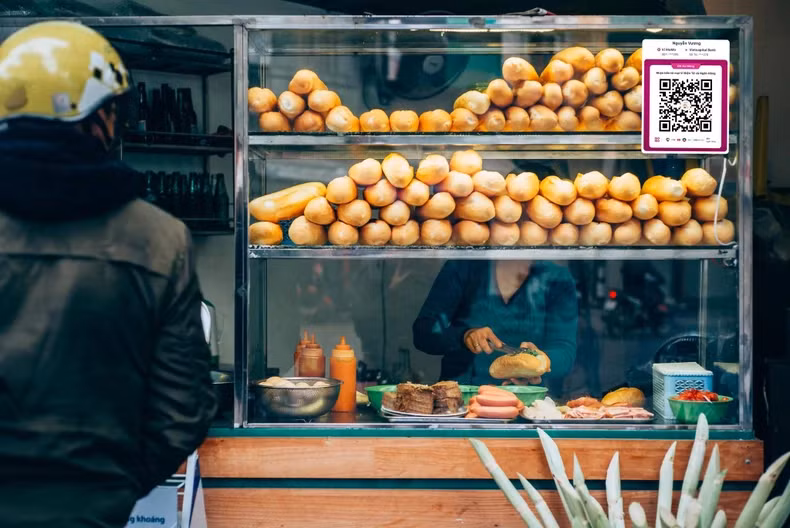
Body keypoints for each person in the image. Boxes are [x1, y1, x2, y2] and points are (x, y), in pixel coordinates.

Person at [0, 21, 216, 528]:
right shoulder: (157, 238)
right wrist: (108, 487)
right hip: (89, 507)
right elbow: (182, 409)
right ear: (98, 116)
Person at [413, 260, 578, 386]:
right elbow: (424, 333)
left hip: (529, 407)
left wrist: (541, 361)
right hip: (462, 402)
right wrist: (464, 336)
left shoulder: (556, 278)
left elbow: (565, 351)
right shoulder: (463, 267)